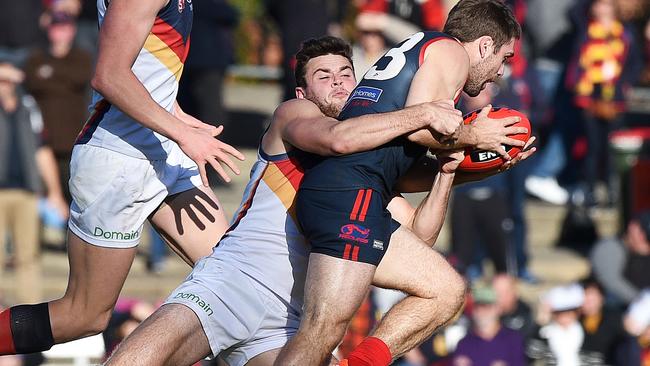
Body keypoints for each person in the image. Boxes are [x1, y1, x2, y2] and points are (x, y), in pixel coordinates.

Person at [104, 35, 533, 366]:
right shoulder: (294, 115)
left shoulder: (366, 174)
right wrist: (427, 117)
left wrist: (449, 170)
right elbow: (337, 138)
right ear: (302, 92)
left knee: (444, 290)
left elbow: (419, 237)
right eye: (323, 77)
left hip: (292, 318)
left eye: (346, 73)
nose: (339, 83)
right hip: (236, 282)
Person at [276, 1, 527, 365]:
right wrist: (475, 135)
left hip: (361, 192)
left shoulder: (430, 48)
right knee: (323, 329)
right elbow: (423, 125)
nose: (501, 71)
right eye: (504, 57)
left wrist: (488, 166)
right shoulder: (452, 53)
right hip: (351, 192)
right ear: (484, 45)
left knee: (445, 290)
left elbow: (405, 160)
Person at [0, 0, 244, 355]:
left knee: (236, 282)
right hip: (118, 160)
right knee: (84, 316)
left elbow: (148, 66)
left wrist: (176, 115)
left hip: (162, 149)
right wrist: (181, 131)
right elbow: (110, 75)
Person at [0, 61, 68, 303]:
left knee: (28, 257)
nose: (5, 85)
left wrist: (55, 192)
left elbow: (42, 151)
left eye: (9, 80)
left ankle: (28, 317)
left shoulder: (28, 109)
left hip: (27, 192)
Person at [452, 284, 526, 366]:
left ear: (498, 309)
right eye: (477, 306)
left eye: (487, 306)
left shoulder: (513, 340)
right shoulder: (464, 344)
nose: (482, 311)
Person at [590, 210, 650, 305]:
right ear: (632, 227)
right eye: (645, 236)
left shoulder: (641, 254)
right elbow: (612, 282)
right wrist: (643, 304)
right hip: (614, 312)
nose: (644, 241)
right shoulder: (610, 247)